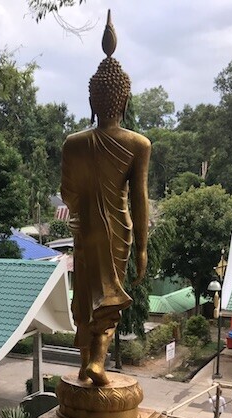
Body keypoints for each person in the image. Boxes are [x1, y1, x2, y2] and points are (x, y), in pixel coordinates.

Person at [62, 11, 151, 386]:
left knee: (85, 298)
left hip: (87, 231)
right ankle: (96, 362)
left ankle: (88, 363)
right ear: (125, 100)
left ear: (92, 100)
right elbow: (140, 201)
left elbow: (68, 192)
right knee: (108, 301)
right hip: (117, 231)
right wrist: (143, 247)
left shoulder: (75, 143)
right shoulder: (138, 144)